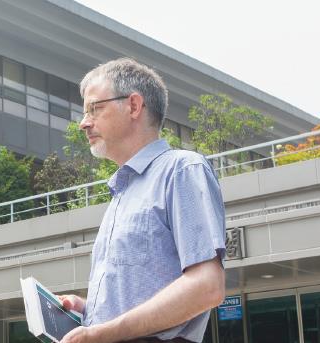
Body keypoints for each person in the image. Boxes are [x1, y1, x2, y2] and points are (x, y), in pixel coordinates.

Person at [59, 58, 226, 343]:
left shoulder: (182, 169)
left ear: (134, 106)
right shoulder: (121, 193)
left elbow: (207, 286)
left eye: (95, 108)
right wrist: (89, 311)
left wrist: (100, 333)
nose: (84, 123)